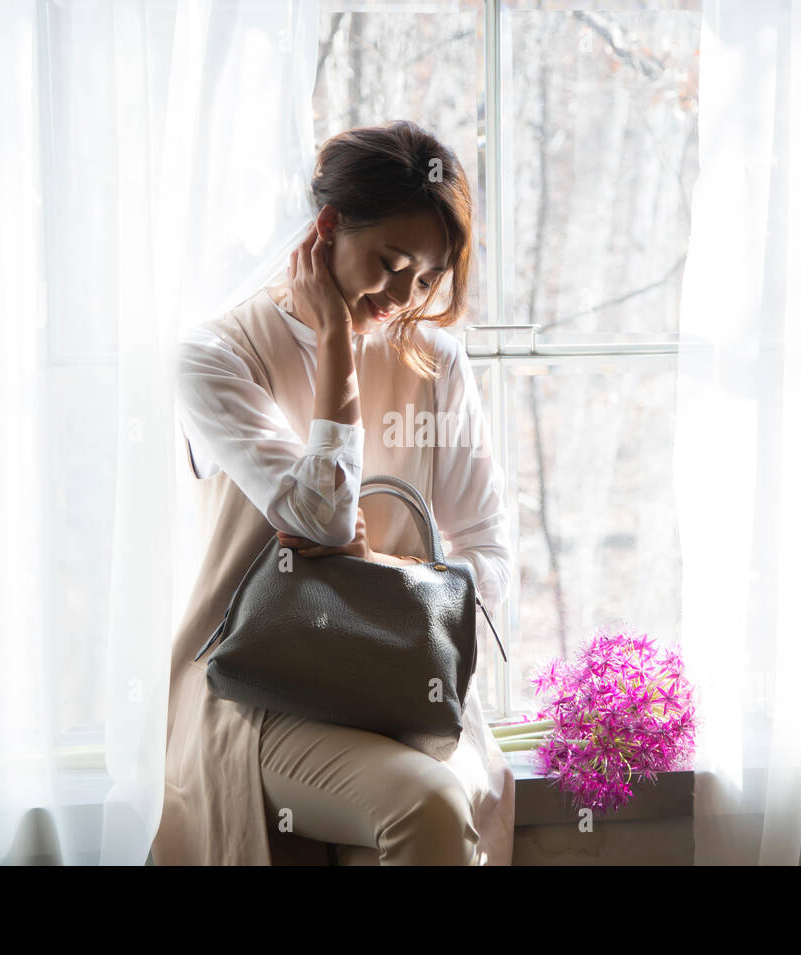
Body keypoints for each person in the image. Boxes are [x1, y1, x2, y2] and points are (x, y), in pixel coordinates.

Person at [151, 121, 516, 865]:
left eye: (429, 277)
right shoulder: (217, 356)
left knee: (442, 796)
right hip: (257, 692)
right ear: (325, 229)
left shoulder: (436, 362)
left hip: (403, 686)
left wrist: (386, 576)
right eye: (392, 262)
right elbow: (321, 512)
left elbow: (491, 552)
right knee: (428, 805)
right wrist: (337, 345)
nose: (407, 294)